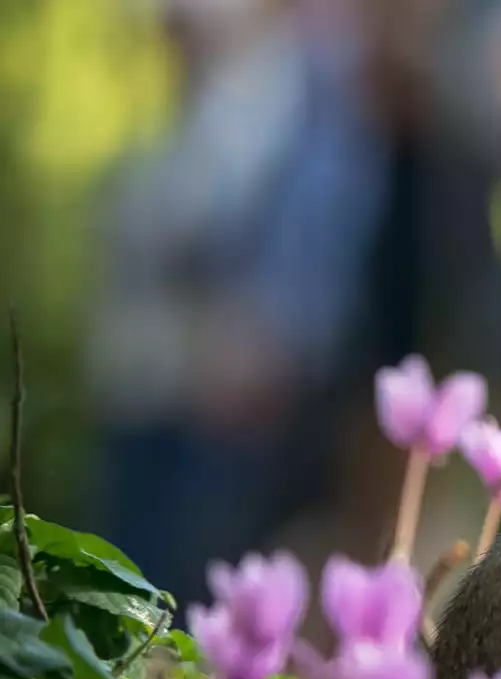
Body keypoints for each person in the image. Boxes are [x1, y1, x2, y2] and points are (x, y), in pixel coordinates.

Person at [88, 0, 387, 605]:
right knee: (123, 594)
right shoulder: (198, 98)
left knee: (182, 602)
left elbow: (316, 248)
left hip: (229, 407)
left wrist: (277, 343)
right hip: (153, 390)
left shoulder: (301, 97)